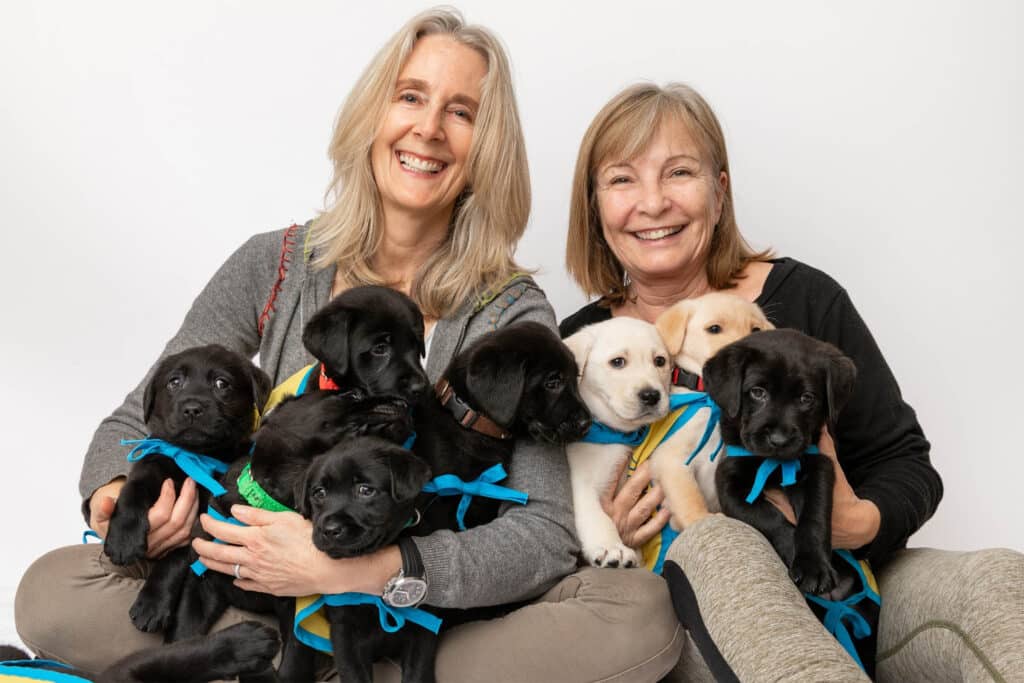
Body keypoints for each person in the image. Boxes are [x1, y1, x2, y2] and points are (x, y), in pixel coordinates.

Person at [14, 11, 684, 682]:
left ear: (488, 149)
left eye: (461, 112)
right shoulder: (273, 263)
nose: (427, 128)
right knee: (49, 592)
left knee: (635, 616)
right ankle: (274, 657)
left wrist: (368, 569)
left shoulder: (506, 309)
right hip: (253, 590)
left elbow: (543, 535)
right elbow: (135, 420)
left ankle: (284, 666)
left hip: (410, 616)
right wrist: (117, 497)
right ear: (374, 114)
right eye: (411, 96)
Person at [561, 82, 1024, 681]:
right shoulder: (582, 345)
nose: (652, 203)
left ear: (719, 191)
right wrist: (603, 539)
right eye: (622, 179)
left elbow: (907, 463)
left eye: (678, 172)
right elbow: (547, 515)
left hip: (849, 576)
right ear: (594, 205)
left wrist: (859, 523)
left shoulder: (805, 299)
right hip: (684, 607)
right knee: (719, 546)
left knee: (995, 582)